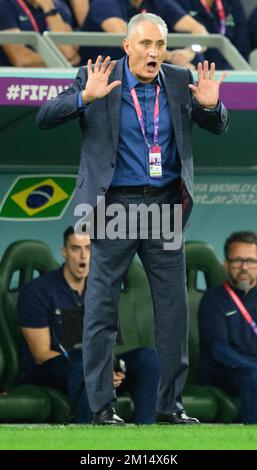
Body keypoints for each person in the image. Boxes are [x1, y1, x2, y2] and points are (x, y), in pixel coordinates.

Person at [36, 12, 229, 425]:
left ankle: (169, 406)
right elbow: (44, 116)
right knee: (101, 309)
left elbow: (217, 124)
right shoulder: (97, 76)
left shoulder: (179, 82)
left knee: (173, 311)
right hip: (114, 207)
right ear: (127, 47)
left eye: (160, 44)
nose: (154, 52)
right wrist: (83, 98)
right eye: (145, 44)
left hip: (164, 207)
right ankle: (101, 406)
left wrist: (213, 108)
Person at [17, 227, 160, 424]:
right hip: (49, 371)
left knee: (147, 358)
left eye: (88, 248)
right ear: (64, 252)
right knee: (84, 362)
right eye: (76, 249)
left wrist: (112, 370)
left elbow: (108, 345)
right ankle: (90, 436)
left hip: (93, 367)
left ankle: (146, 434)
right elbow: (40, 354)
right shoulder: (37, 291)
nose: (83, 256)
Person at [198, 231, 257, 424]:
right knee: (252, 376)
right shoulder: (213, 299)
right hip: (224, 370)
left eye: (250, 261)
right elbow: (219, 350)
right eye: (237, 261)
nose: (244, 268)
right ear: (226, 264)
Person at [80, 0, 208, 67]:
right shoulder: (104, 3)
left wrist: (189, 52)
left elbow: (199, 30)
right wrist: (172, 59)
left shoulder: (157, 2)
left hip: (144, 71)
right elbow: (130, 41)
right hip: (103, 73)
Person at [0, 0, 80, 67]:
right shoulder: (4, 4)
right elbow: (21, 58)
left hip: (56, 77)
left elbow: (68, 52)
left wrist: (48, 8)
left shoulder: (57, 7)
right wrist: (60, 60)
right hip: (17, 80)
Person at [177, 0, 251, 70]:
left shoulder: (232, 3)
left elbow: (242, 44)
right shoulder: (180, 3)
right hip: (195, 68)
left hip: (230, 69)